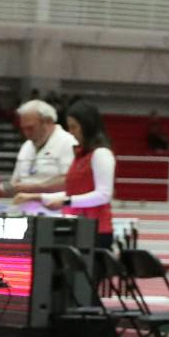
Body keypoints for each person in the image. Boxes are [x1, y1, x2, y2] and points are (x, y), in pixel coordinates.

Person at [41, 100, 117, 249]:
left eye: (74, 127)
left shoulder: (101, 154)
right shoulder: (80, 156)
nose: (71, 132)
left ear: (87, 126)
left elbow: (104, 195)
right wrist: (37, 197)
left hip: (96, 231)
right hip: (77, 227)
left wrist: (67, 201)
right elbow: (74, 193)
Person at [0, 100, 77, 209]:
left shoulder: (68, 142)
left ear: (48, 121)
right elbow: (16, 181)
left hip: (55, 212)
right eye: (23, 129)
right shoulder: (26, 146)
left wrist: (33, 188)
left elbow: (70, 181)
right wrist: (7, 188)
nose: (26, 133)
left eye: (30, 128)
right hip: (24, 211)